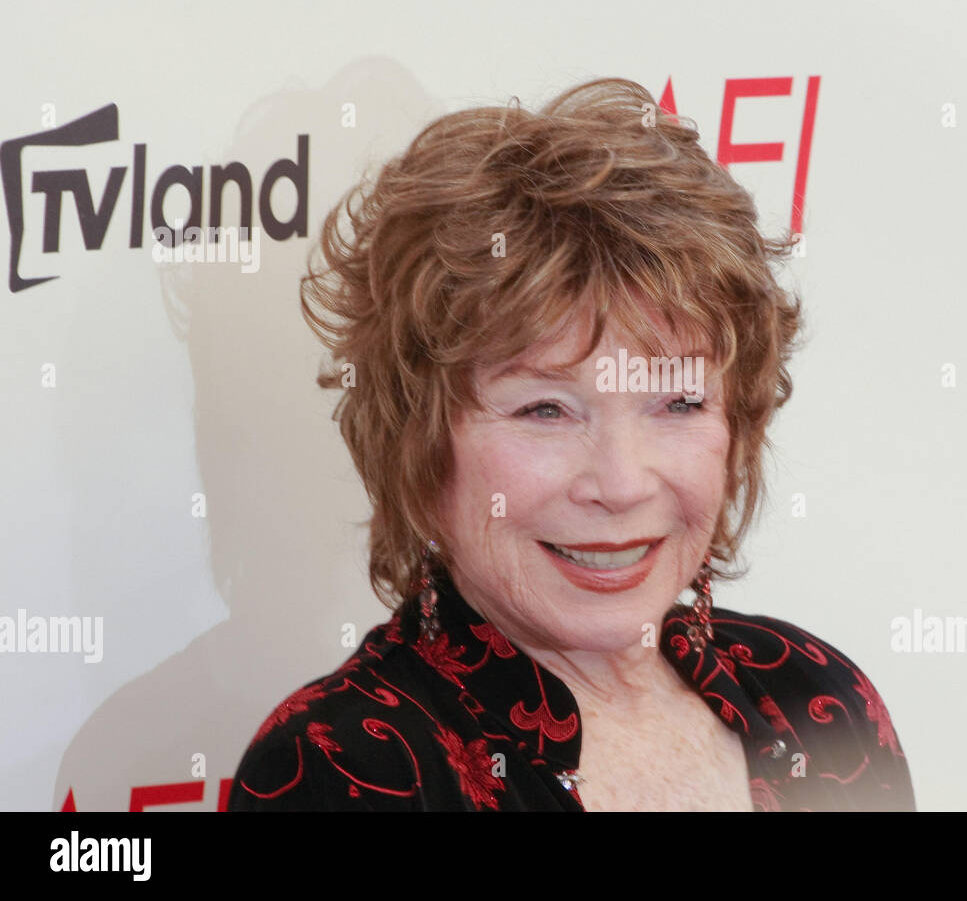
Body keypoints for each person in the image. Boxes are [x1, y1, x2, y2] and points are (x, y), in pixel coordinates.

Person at [227, 77, 915, 811]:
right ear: (420, 446)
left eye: (678, 403)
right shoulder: (348, 767)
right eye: (546, 410)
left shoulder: (814, 698)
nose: (621, 484)